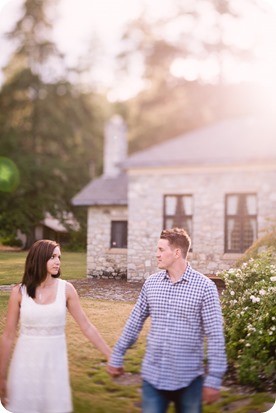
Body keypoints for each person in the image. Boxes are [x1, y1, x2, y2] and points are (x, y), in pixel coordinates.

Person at [107, 227, 227, 413]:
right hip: (153, 378)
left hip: (188, 380)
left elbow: (215, 335)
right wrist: (117, 354)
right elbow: (135, 321)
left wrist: (214, 378)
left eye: (161, 250)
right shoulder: (151, 284)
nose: (156, 254)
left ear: (177, 252)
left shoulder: (205, 287)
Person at [0, 239, 111, 413]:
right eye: (52, 257)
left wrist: (110, 355)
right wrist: (1, 376)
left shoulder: (66, 289)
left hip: (54, 367)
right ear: (39, 258)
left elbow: (86, 326)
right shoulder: (19, 292)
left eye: (59, 257)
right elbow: (7, 336)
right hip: (25, 366)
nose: (58, 261)